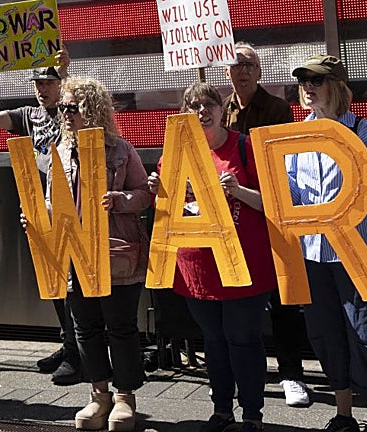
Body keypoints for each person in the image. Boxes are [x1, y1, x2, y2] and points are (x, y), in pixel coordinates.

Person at [150, 83, 276, 432]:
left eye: (208, 104)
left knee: (243, 339)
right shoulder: (173, 155)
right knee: (215, 341)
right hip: (198, 269)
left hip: (244, 267)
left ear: (222, 109)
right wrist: (155, 191)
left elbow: (271, 203)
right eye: (193, 106)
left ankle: (252, 414)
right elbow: (165, 211)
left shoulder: (244, 147)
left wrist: (238, 190)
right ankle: (221, 411)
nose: (202, 111)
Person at [287, 55, 367, 432]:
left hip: (357, 250)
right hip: (314, 252)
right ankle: (343, 414)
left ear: (337, 86)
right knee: (326, 332)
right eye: (303, 81)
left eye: (317, 79)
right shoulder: (296, 134)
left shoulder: (361, 129)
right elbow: (292, 188)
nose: (308, 87)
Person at [49, 77, 151, 432]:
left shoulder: (121, 150)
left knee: (121, 326)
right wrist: (41, 214)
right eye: (62, 107)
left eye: (71, 107)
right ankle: (98, 395)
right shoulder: (59, 151)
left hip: (115, 251)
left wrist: (121, 201)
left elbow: (144, 192)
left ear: (91, 110)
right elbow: (53, 198)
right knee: (86, 327)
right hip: (75, 254)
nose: (64, 114)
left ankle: (125, 397)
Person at [0, 50, 81, 385]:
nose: (42, 89)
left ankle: (79, 351)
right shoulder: (27, 115)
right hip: (39, 203)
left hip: (71, 203)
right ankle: (68, 343)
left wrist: (65, 70)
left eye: (49, 82)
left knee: (72, 279)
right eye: (38, 82)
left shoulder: (70, 112)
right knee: (51, 276)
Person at [222, 43, 310, 408]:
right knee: (240, 302)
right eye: (235, 64)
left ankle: (291, 374)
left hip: (271, 213)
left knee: (282, 300)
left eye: (249, 64)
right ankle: (246, 374)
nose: (241, 70)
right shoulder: (220, 109)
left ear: (259, 72)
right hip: (236, 220)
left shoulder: (277, 109)